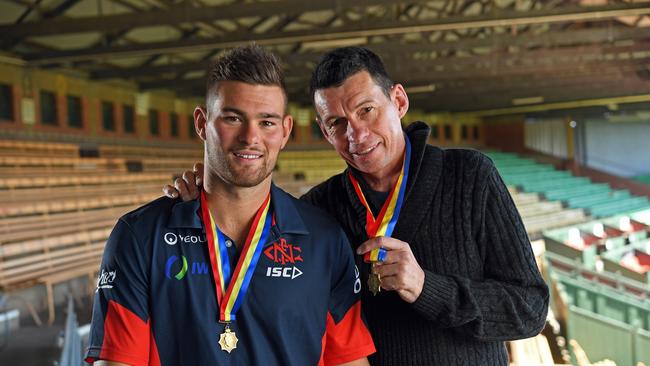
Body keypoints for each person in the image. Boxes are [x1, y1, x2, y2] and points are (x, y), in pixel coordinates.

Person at [165, 46, 549, 365]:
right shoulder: (318, 209)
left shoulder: (469, 176)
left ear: (398, 101)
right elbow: (257, 287)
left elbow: (530, 308)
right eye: (337, 123)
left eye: (366, 110)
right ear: (323, 129)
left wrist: (427, 287)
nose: (357, 135)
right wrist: (208, 210)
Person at [86, 45, 375, 366]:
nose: (250, 136)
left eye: (267, 122)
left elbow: (348, 359)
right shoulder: (140, 236)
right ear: (201, 123)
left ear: (285, 131)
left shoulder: (324, 240)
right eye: (233, 118)